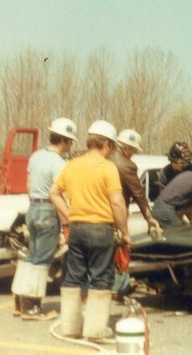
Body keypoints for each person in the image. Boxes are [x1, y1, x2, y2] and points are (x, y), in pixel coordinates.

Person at [49, 120, 131, 341]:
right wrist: (125, 233)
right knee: (101, 279)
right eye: (112, 146)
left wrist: (68, 216)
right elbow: (117, 203)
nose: (112, 150)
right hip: (100, 230)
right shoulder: (108, 168)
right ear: (105, 143)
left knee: (73, 277)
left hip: (76, 229)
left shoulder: (72, 165)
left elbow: (53, 193)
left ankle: (70, 328)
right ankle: (95, 331)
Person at [11, 117, 77, 321]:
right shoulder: (60, 164)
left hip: (32, 208)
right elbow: (59, 195)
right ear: (65, 140)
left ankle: (20, 302)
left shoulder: (36, 156)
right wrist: (68, 220)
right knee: (42, 260)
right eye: (71, 141)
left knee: (31, 257)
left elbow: (29, 186)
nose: (71, 145)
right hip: (48, 211)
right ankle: (31, 308)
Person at [109, 128, 162, 238]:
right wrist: (149, 217)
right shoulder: (127, 165)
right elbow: (138, 193)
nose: (135, 153)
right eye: (134, 150)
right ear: (127, 149)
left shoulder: (103, 155)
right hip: (116, 214)